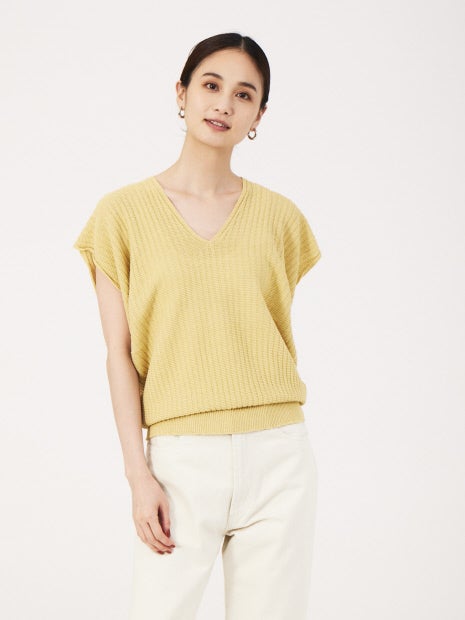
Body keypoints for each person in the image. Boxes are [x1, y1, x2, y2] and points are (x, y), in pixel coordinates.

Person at [73, 31, 322, 620]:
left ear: (258, 116)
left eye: (244, 94)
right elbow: (118, 354)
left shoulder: (281, 219)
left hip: (279, 453)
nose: (224, 104)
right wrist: (139, 475)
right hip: (179, 460)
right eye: (211, 85)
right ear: (182, 93)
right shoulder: (121, 216)